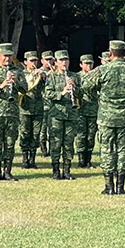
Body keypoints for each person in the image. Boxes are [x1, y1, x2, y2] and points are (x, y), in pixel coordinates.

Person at [83, 40, 125, 195]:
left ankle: (109, 185)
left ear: (110, 53)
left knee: (107, 149)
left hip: (106, 117)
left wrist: (97, 95)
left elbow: (85, 86)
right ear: (124, 53)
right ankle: (121, 186)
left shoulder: (102, 70)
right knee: (123, 150)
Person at [0, 43, 27, 181]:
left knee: (9, 143)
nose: (7, 59)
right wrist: (1, 86)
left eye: (9, 56)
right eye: (5, 56)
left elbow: (25, 89)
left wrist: (16, 83)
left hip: (12, 113)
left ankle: (7, 171)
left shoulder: (18, 71)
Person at [44, 50, 82, 180]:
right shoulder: (52, 77)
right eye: (61, 60)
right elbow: (48, 94)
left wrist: (74, 88)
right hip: (56, 115)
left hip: (71, 115)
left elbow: (82, 94)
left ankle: (67, 170)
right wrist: (62, 92)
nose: (64, 63)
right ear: (56, 62)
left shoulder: (75, 76)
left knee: (68, 144)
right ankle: (55, 170)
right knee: (55, 143)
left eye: (66, 60)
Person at [19, 51, 45, 169]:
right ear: (25, 62)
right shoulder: (21, 73)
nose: (34, 63)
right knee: (25, 133)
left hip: (38, 108)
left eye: (35, 60)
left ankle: (32, 159)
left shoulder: (41, 73)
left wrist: (44, 77)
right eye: (31, 61)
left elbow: (47, 88)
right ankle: (25, 159)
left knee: (36, 134)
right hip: (24, 108)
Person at [75, 54, 98, 168]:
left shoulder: (96, 76)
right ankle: (81, 160)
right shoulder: (77, 77)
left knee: (91, 136)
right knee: (81, 136)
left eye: (90, 63)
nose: (89, 65)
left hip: (93, 110)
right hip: (80, 110)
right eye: (86, 63)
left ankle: (88, 160)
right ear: (81, 65)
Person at [38, 50, 55, 157]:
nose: (48, 62)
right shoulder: (39, 71)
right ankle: (44, 149)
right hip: (43, 104)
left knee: (53, 129)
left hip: (54, 105)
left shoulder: (57, 71)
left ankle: (52, 149)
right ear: (42, 61)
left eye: (50, 59)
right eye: (46, 59)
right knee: (43, 130)